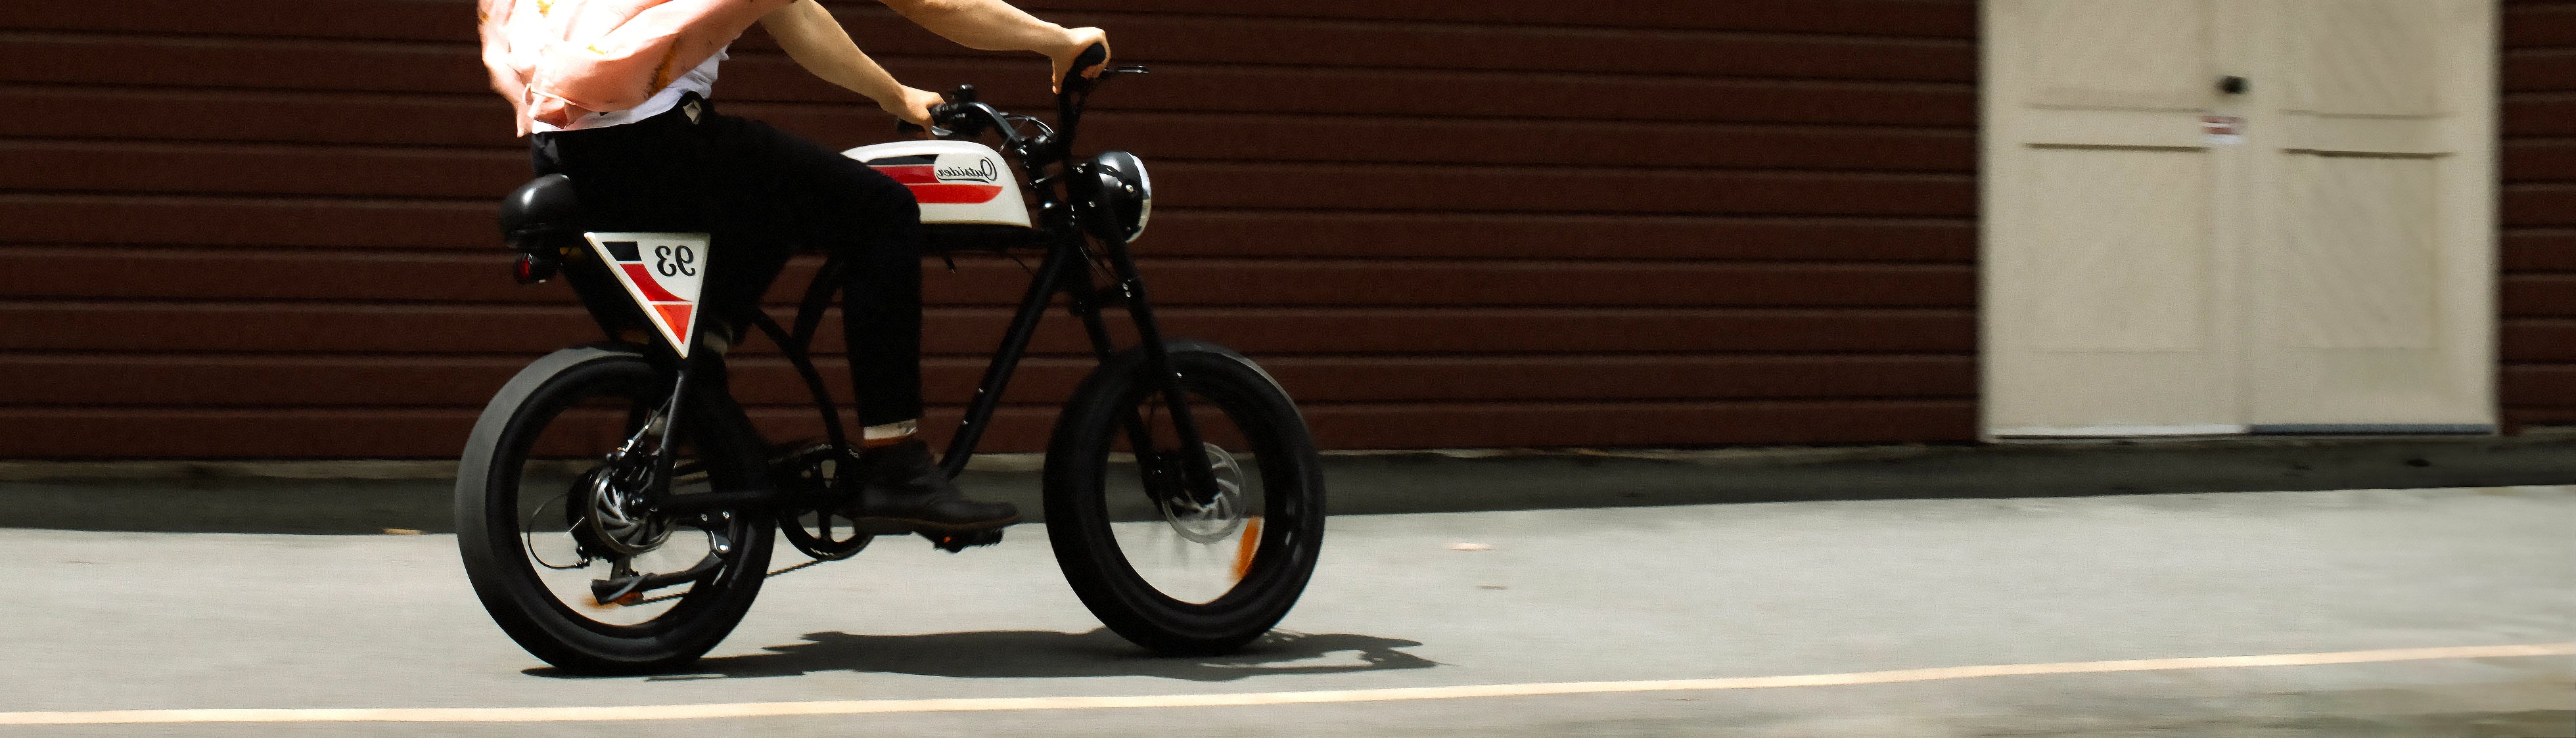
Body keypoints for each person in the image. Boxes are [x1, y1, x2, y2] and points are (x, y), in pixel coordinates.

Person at [477, 0, 1106, 534]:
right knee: (880, 209)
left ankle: (695, 411)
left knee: (771, 197)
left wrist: (894, 94)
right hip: (653, 143)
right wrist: (1057, 41)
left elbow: (795, 13)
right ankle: (894, 462)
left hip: (562, 146)